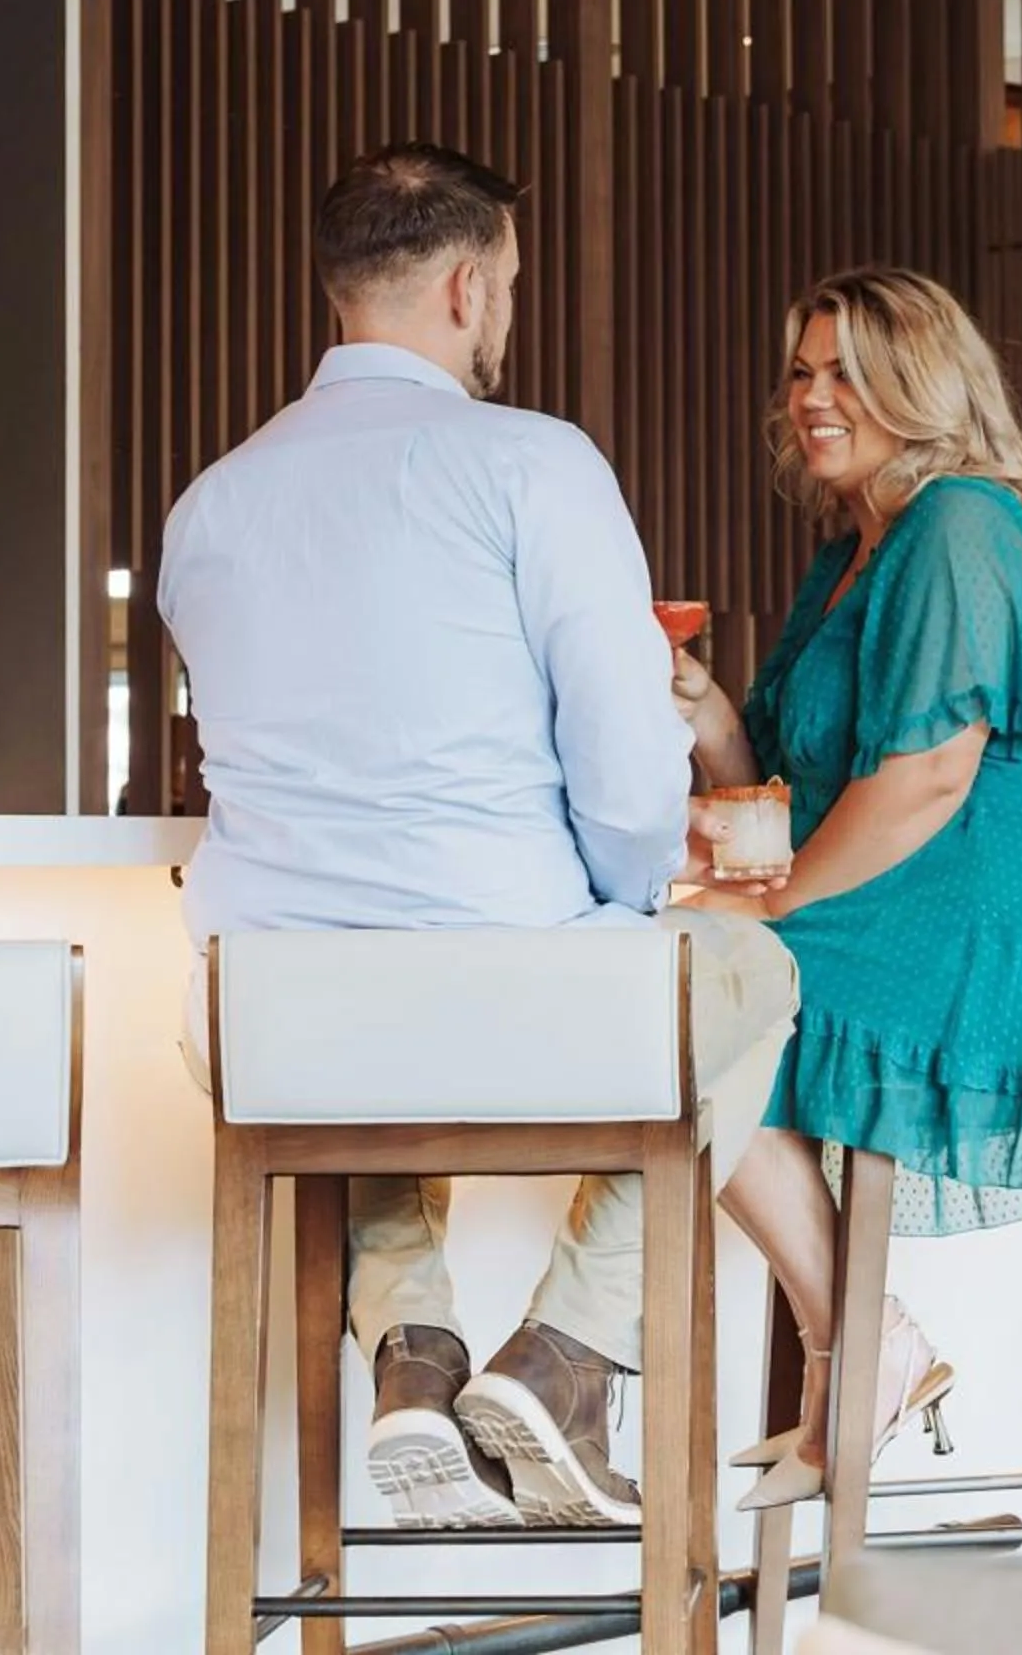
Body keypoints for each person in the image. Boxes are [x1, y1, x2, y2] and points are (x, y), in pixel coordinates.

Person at [159, 143, 800, 1531]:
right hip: (505, 997)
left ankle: (417, 1352)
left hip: (266, 1017)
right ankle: (565, 1357)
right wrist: (625, 905)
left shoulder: (205, 507)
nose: (502, 312)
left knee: (358, 1036)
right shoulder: (533, 462)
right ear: (466, 286)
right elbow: (629, 766)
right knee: (749, 979)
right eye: (505, 285)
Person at [671, 266, 1022, 1508]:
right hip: (936, 897)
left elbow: (928, 781)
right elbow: (805, 783)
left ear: (924, 385)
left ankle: (855, 1346)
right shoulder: (854, 553)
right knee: (684, 981)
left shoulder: (958, 522)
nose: (813, 396)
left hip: (1016, 915)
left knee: (686, 988)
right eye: (801, 370)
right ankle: (862, 1342)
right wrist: (710, 717)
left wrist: (769, 907)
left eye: (845, 369)